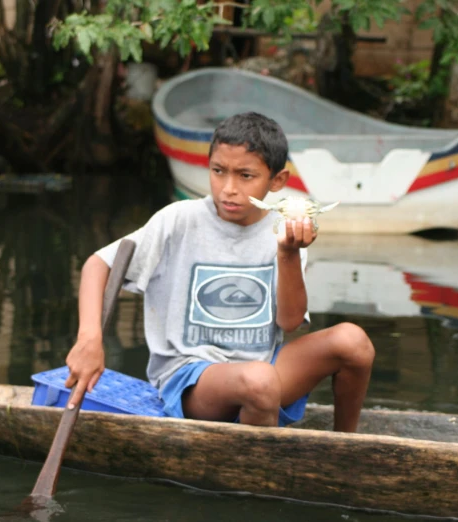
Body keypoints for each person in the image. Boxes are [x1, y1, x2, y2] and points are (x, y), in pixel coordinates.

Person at [64, 112, 375, 432]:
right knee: (260, 380)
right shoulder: (178, 220)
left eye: (245, 175)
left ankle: (347, 445)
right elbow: (97, 264)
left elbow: (291, 322)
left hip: (262, 372)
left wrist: (288, 253)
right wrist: (90, 338)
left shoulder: (286, 229)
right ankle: (254, 476)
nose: (228, 188)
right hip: (189, 379)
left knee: (353, 342)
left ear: (277, 181)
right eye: (218, 171)